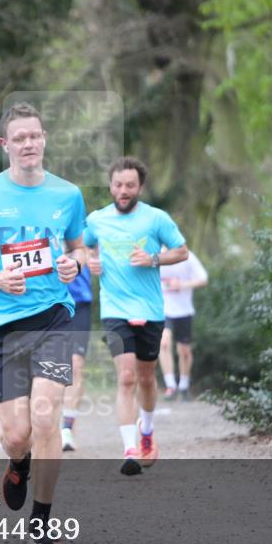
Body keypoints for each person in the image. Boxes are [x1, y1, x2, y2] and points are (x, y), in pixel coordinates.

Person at [0, 102, 86, 544]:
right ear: (5, 145)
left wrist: (72, 263)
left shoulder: (68, 195)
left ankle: (41, 519)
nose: (29, 144)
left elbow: (79, 248)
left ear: (44, 138)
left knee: (46, 417)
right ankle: (18, 464)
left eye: (35, 136)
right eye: (19, 138)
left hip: (53, 319)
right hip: (1, 328)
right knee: (16, 434)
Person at [84, 157, 188, 476]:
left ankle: (147, 432)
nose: (123, 191)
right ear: (111, 187)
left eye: (130, 185)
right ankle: (129, 449)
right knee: (127, 377)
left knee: (146, 378)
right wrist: (92, 261)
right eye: (118, 185)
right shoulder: (97, 220)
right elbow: (85, 248)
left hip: (151, 310)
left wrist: (154, 258)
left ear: (140, 187)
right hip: (115, 309)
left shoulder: (156, 219)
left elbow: (181, 251)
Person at [159, 250, 208, 400]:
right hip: (163, 308)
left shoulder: (187, 256)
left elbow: (203, 279)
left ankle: (184, 385)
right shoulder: (155, 255)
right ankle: (170, 386)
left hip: (183, 310)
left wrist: (182, 284)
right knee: (164, 342)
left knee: (184, 350)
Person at [61, 262, 93, 452]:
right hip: (45, 302)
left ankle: (67, 428)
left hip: (79, 302)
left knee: (75, 364)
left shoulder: (87, 231)